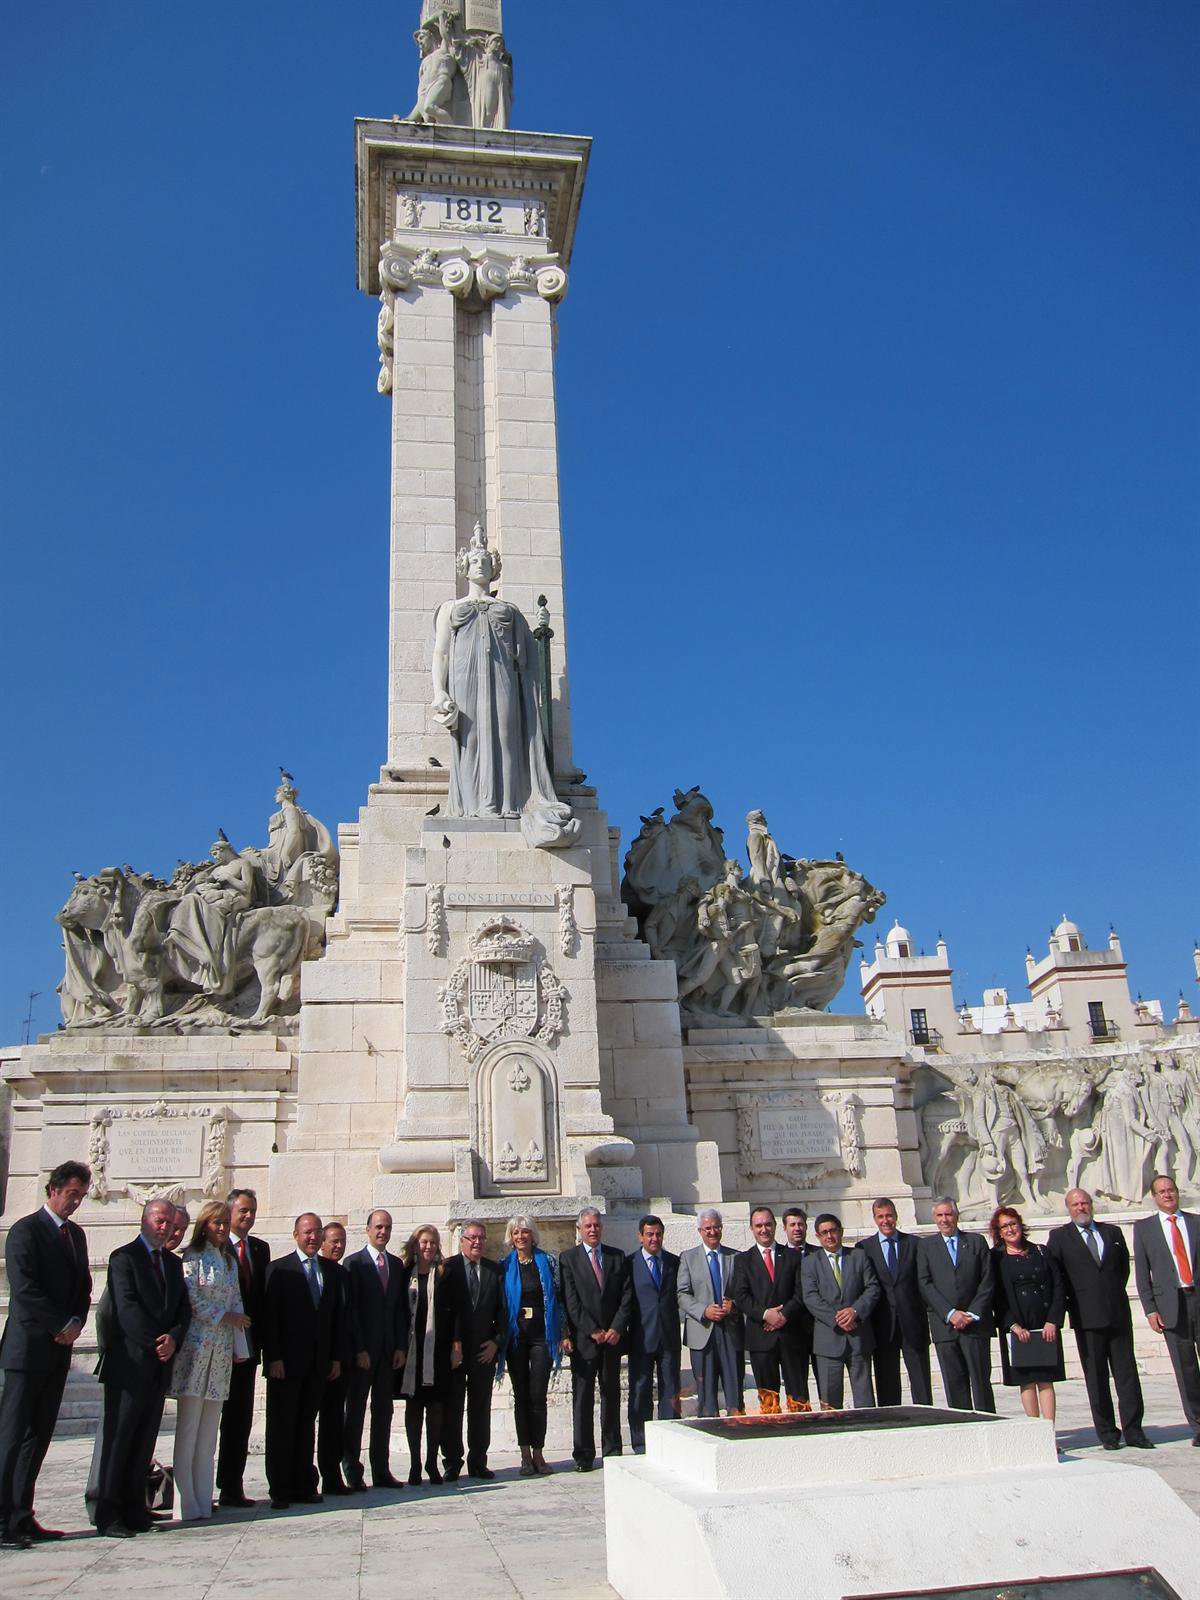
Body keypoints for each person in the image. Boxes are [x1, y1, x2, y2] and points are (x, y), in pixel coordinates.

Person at [430, 520, 579, 848]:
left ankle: (509, 804)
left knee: (507, 736)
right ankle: (474, 807)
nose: (480, 564)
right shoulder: (450, 609)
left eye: (485, 561)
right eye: (474, 561)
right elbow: (441, 653)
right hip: (464, 679)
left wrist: (541, 639)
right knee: (470, 739)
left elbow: (528, 659)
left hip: (503, 679)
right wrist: (439, 691)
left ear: (494, 568)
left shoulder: (509, 610)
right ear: (464, 568)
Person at [0, 1159, 92, 1550]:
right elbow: (24, 1288)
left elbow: (84, 1285)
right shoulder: (26, 1230)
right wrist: (59, 1325)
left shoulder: (76, 1235)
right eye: (72, 1194)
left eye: (81, 1196)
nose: (76, 1202)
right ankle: (1, 1519)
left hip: (58, 1351)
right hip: (27, 1351)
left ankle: (22, 1514)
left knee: (37, 1438)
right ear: (53, 1190)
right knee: (11, 1436)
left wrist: (77, 1322)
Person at [95, 1198, 192, 1537]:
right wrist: (157, 1342)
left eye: (170, 1223)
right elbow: (127, 1308)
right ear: (144, 1220)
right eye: (159, 1221)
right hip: (130, 1364)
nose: (164, 1228)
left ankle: (135, 1508)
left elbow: (183, 1308)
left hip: (159, 1365)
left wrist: (174, 1338)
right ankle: (109, 1512)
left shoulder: (172, 1263)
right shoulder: (124, 1258)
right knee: (119, 1439)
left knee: (144, 1440)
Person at [1046, 1188, 1152, 1450]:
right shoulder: (1059, 1237)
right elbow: (1056, 1276)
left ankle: (1134, 1431)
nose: (1081, 1207)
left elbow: (1122, 1269)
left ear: (1091, 1205)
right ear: (1068, 1208)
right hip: (1086, 1317)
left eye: (1084, 1203)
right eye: (1075, 1204)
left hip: (1117, 1314)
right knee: (1096, 1378)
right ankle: (1108, 1433)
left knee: (1127, 1376)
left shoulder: (1111, 1233)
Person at [169, 1201, 251, 1522]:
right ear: (205, 1225)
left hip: (221, 1349)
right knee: (189, 1427)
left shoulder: (228, 1260)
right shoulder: (193, 1257)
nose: (222, 1228)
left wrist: (240, 1345)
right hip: (197, 1347)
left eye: (225, 1223)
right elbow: (192, 1299)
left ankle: (203, 1499)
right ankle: (184, 1501)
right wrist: (224, 1316)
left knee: (208, 1432)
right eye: (216, 1223)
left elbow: (236, 1300)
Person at [260, 1213, 343, 1510]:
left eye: (317, 1232)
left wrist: (335, 1357)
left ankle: (305, 1484)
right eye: (307, 1232)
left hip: (318, 1363)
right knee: (282, 1426)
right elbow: (270, 1318)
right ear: (296, 1235)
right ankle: (280, 1488)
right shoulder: (279, 1269)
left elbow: (335, 1318)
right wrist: (273, 1357)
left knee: (307, 1425)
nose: (312, 1237)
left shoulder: (331, 1271)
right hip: (286, 1364)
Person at [559, 1206, 632, 1469]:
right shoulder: (568, 1258)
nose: (593, 1230)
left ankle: (612, 1448)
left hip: (611, 1339)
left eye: (597, 1225)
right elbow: (571, 1300)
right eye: (588, 1226)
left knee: (611, 1394)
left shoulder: (616, 1256)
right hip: (585, 1341)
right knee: (583, 1398)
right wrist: (592, 1330)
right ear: (579, 1229)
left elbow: (626, 1295)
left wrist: (616, 1328)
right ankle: (584, 1454)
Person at [1133, 1173, 1200, 1446]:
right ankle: (1198, 1425)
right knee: (1186, 1368)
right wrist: (1150, 1309)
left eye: (1171, 1190)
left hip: (1197, 1297)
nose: (1168, 1195)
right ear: (1154, 1197)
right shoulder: (1145, 1228)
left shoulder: (1195, 1222)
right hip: (1172, 1306)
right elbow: (1142, 1273)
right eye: (1161, 1191)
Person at [343, 1210, 407, 1490]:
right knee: (355, 1411)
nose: (383, 1231)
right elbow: (351, 1310)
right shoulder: (353, 1263)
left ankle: (381, 1470)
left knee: (384, 1411)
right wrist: (359, 1348)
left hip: (387, 1351)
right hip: (363, 1353)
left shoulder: (395, 1264)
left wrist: (401, 1346)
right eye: (379, 1227)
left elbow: (400, 1309)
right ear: (368, 1230)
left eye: (387, 1227)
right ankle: (352, 1470)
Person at [498, 1215, 564, 1477]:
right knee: (521, 1396)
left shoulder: (547, 1262)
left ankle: (538, 1452)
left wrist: (563, 1332)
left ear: (532, 1235)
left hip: (541, 1335)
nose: (520, 1237)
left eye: (525, 1232)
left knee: (538, 1396)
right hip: (516, 1337)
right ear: (511, 1236)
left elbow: (559, 1297)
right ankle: (525, 1454)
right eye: (516, 1232)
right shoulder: (505, 1266)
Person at [989, 1206, 1065, 1432]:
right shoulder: (995, 1258)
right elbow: (995, 1296)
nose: (1010, 1229)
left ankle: (1049, 1432)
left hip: (1044, 1325)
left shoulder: (1041, 1251)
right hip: (1017, 1327)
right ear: (999, 1232)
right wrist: (1012, 1325)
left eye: (1013, 1224)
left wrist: (1053, 1320)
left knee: (1046, 1380)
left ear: (1020, 1225)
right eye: (1004, 1226)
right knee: (1027, 1381)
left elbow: (1058, 1286)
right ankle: (1035, 1432)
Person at [216, 1187, 270, 1507]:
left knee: (240, 1418)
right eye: (243, 1211)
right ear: (229, 1213)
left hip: (248, 1347)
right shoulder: (216, 1247)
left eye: (252, 1211)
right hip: (218, 1346)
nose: (248, 1216)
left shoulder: (260, 1249)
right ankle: (197, 1488)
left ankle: (231, 1485)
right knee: (213, 1419)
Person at [916, 1197, 995, 1412]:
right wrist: (950, 1313)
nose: (944, 1219)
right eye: (940, 1215)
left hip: (975, 1325)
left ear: (956, 1216)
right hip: (945, 1326)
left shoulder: (976, 1242)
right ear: (934, 1218)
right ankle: (962, 1426)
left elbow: (987, 1280)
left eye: (948, 1214)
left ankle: (988, 1423)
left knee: (981, 1383)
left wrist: (972, 1313)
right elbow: (924, 1283)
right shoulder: (926, 1246)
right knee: (954, 1384)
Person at [398, 1224, 461, 1485]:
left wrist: (456, 1346)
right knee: (414, 1407)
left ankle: (432, 1462)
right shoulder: (404, 1274)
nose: (428, 1246)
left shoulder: (445, 1274)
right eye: (424, 1242)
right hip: (412, 1350)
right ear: (415, 1245)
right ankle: (415, 1464)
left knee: (436, 1408)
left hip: (438, 1349)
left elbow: (456, 1312)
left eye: (433, 1242)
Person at [855, 1197, 933, 1406]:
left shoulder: (915, 1244)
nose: (885, 1220)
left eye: (889, 1215)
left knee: (921, 1381)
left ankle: (926, 1416)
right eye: (880, 1216)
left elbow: (923, 1281)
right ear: (874, 1219)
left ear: (896, 1216)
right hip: (882, 1325)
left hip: (912, 1322)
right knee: (886, 1382)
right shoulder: (864, 1248)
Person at [443, 1219, 503, 1481]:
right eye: (472, 1238)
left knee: (480, 1408)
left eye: (481, 1238)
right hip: (455, 1352)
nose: (477, 1242)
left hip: (483, 1351)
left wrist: (496, 1342)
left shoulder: (494, 1270)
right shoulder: (448, 1268)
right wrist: (452, 1345)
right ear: (462, 1241)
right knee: (453, 1408)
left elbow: (503, 1310)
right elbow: (443, 1311)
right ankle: (452, 1461)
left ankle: (478, 1461)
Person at [730, 1206, 806, 1409]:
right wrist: (765, 1314)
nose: (764, 1230)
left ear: (775, 1226)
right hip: (761, 1338)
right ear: (751, 1229)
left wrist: (782, 1316)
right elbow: (741, 1296)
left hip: (791, 1335)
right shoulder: (743, 1260)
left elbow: (800, 1293)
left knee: (799, 1397)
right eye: (759, 1226)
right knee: (768, 1400)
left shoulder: (792, 1256)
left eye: (768, 1224)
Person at [800, 1214, 879, 1409]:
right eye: (824, 1233)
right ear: (818, 1236)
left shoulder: (858, 1256)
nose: (829, 1236)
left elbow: (872, 1288)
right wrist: (838, 1319)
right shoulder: (810, 1262)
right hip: (828, 1339)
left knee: (865, 1399)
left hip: (858, 1336)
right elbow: (810, 1297)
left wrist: (854, 1311)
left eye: (833, 1231)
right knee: (830, 1401)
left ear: (841, 1232)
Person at [677, 1210, 744, 1418]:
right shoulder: (688, 1258)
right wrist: (703, 1310)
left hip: (730, 1330)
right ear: (700, 1230)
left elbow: (745, 1292)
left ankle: (737, 1427)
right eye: (708, 1228)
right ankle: (709, 1424)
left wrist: (734, 1306)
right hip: (702, 1331)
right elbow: (682, 1294)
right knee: (706, 1396)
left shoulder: (736, 1257)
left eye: (716, 1227)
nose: (712, 1232)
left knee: (735, 1390)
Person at [626, 1215, 682, 1452]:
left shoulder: (674, 1262)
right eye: (649, 1234)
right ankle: (641, 1442)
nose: (654, 1239)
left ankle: (670, 1440)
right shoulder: (629, 1264)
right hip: (641, 1337)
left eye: (658, 1234)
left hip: (668, 1337)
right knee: (640, 1390)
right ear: (640, 1237)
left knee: (670, 1389)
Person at [316, 1222, 355, 1495]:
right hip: (318, 1358)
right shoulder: (315, 1271)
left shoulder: (343, 1273)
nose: (338, 1246)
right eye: (333, 1241)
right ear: (322, 1243)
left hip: (340, 1359)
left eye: (342, 1241)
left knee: (333, 1420)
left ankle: (332, 1475)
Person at [780, 1206, 817, 1402]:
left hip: (819, 1327)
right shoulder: (778, 1255)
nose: (797, 1228)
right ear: (784, 1228)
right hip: (791, 1328)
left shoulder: (819, 1253)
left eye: (800, 1224)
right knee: (797, 1389)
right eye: (792, 1224)